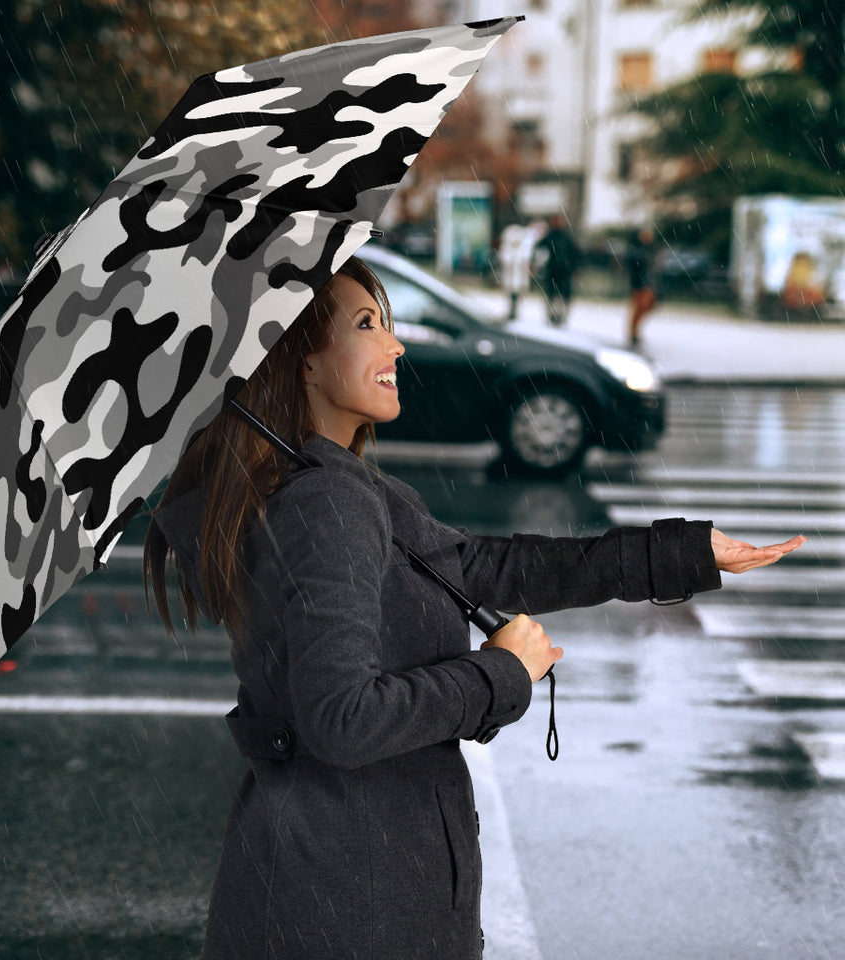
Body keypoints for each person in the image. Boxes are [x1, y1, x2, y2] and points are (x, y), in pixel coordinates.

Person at [143, 256, 804, 960]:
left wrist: (681, 554)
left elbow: (489, 567)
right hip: (351, 903)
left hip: (340, 884)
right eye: (368, 325)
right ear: (302, 362)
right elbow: (341, 719)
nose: (396, 345)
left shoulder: (335, 488)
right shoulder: (325, 504)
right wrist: (499, 673)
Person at [533, 213, 580, 327]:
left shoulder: (566, 237)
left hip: (564, 271)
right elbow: (539, 249)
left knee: (562, 295)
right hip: (553, 270)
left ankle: (560, 316)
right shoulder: (550, 236)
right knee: (552, 294)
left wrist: (575, 267)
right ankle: (552, 315)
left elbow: (575, 253)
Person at [626, 226, 658, 347]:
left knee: (647, 306)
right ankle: (633, 333)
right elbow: (635, 265)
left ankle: (635, 331)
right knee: (639, 308)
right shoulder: (636, 250)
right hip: (640, 284)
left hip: (648, 283)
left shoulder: (648, 249)